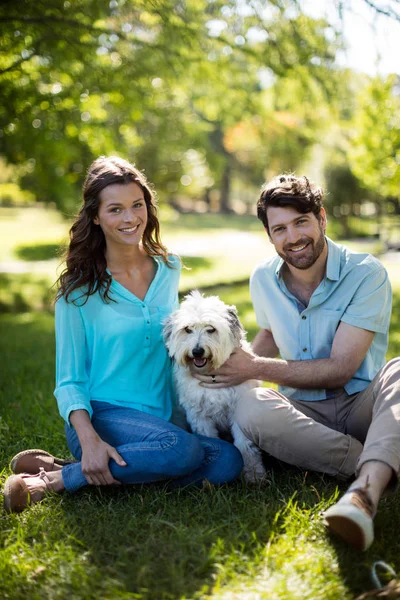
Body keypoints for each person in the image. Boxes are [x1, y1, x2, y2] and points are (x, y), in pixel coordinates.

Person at [3, 156, 243, 513]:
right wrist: (89, 438)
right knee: (185, 452)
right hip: (102, 416)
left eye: (137, 205)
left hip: (161, 419)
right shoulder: (78, 291)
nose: (130, 218)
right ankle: (51, 482)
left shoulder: (169, 268)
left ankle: (70, 469)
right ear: (95, 216)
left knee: (228, 461)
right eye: (115, 209)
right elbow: (69, 381)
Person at [194, 174, 400, 551]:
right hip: (302, 411)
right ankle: (377, 461)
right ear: (270, 236)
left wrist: (253, 367)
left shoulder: (366, 274)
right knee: (250, 407)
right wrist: (236, 364)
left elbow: (341, 367)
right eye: (280, 229)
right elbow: (271, 332)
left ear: (321, 218)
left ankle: (364, 495)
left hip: (362, 404)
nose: (293, 237)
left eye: (301, 222)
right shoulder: (262, 278)